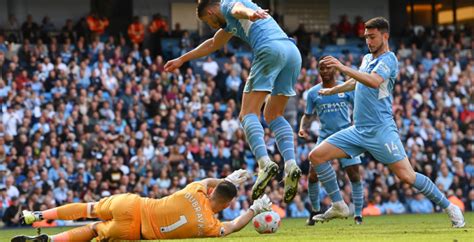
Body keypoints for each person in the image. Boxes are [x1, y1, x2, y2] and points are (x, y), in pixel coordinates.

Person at [307, 17, 465, 228]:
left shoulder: (389, 60)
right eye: (366, 38)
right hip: (358, 130)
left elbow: (373, 81)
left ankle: (449, 207)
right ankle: (338, 205)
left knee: (407, 176)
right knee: (316, 156)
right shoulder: (366, 59)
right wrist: (334, 90)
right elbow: (357, 81)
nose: (369, 42)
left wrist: (342, 67)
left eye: (372, 37)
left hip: (381, 131)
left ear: (385, 36)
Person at [164, 0, 302, 203]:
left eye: (208, 21)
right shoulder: (229, 23)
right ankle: (290, 164)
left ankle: (265, 163)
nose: (210, 25)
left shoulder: (228, 5)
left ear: (211, 11)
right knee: (273, 114)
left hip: (270, 50)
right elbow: (212, 43)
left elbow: (238, 8)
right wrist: (182, 59)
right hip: (292, 53)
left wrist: (249, 14)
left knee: (247, 113)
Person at [13, 170, 272, 241]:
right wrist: (254, 209)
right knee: (93, 229)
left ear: (214, 190)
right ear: (227, 205)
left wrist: (227, 178)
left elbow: (207, 180)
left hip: (131, 204)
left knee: (88, 209)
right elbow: (235, 226)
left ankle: (36, 215)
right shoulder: (210, 226)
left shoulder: (195, 190)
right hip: (135, 232)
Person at [298, 58, 363, 225]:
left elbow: (358, 108)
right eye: (321, 69)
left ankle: (358, 215)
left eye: (327, 68)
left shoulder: (345, 87)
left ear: (335, 69)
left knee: (354, 174)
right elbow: (308, 114)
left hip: (346, 136)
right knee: (312, 175)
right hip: (325, 137)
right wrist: (302, 127)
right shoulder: (313, 92)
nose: (325, 71)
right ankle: (314, 212)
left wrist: (358, 125)